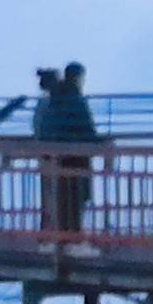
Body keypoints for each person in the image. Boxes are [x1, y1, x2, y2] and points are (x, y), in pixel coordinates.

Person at [31, 62, 101, 237]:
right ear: (78, 78)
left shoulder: (49, 102)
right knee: (75, 200)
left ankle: (55, 238)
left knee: (58, 201)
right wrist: (96, 145)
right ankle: (71, 239)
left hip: (54, 158)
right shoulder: (74, 99)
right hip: (76, 159)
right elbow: (86, 129)